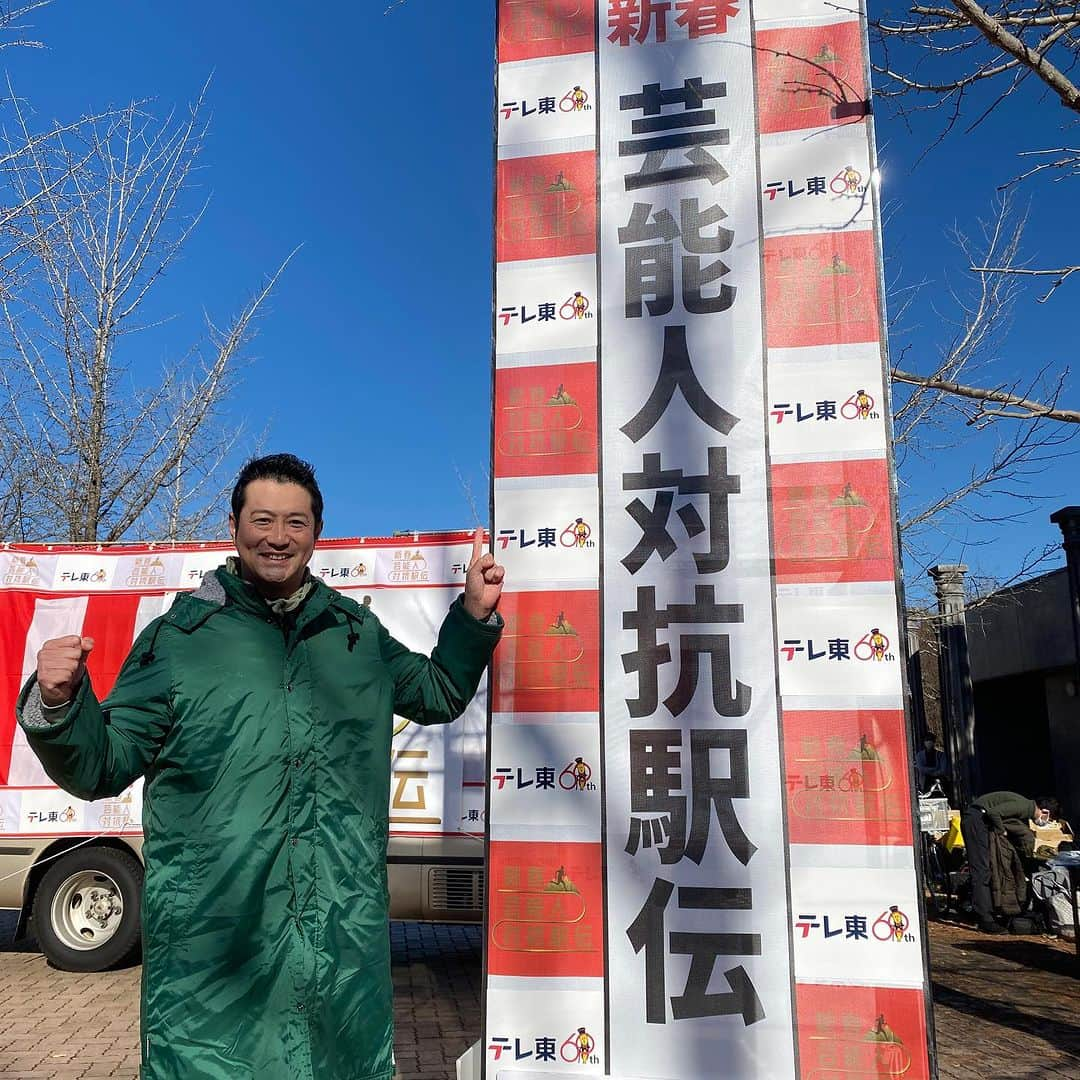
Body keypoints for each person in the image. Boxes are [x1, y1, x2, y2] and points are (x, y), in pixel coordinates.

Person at [16, 453, 505, 1080]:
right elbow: (102, 765)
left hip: (337, 934)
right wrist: (59, 705)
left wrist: (472, 615)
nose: (278, 537)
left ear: (316, 533)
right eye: (263, 519)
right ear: (235, 526)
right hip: (217, 951)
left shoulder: (356, 636)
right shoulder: (180, 642)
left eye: (296, 522)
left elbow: (437, 691)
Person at [960, 791, 1060, 934]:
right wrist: (1001, 830)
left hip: (979, 819)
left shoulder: (1025, 806)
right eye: (1049, 819)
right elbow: (994, 812)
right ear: (1045, 811)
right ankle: (984, 918)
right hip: (976, 820)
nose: (1046, 822)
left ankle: (986, 911)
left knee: (986, 868)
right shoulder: (1024, 807)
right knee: (981, 870)